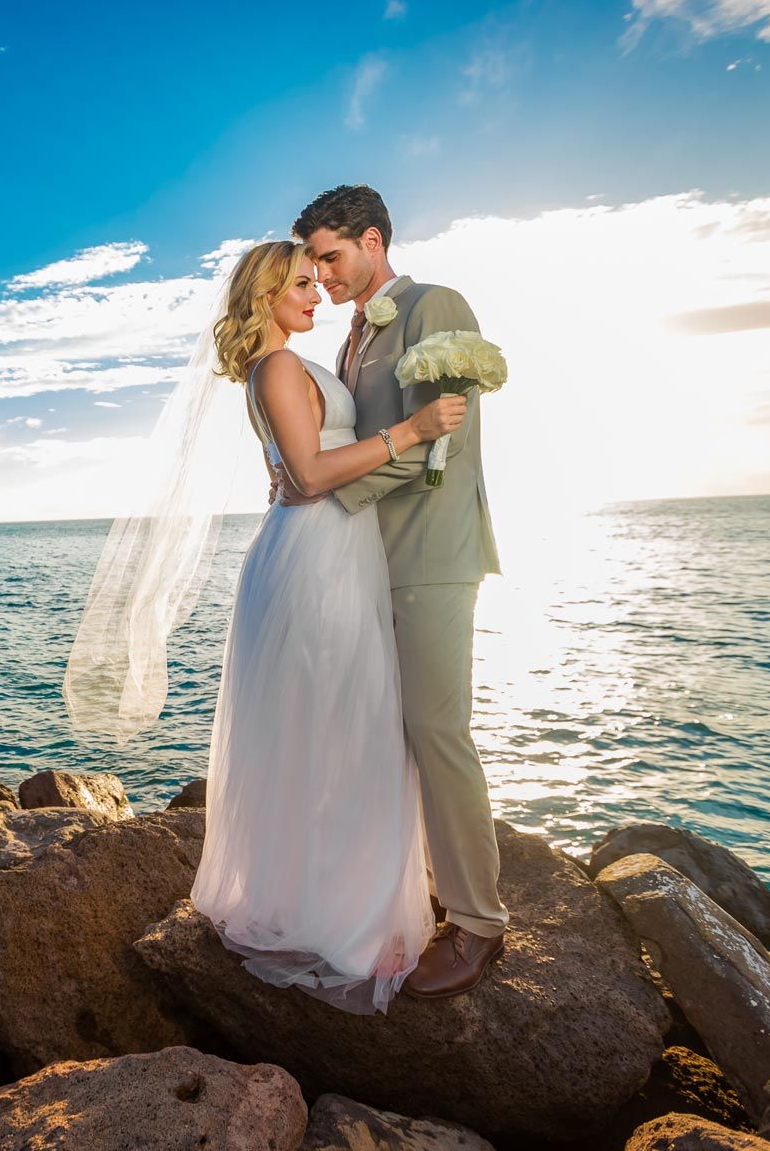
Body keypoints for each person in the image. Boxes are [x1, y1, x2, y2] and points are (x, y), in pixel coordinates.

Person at [187, 239, 467, 1012]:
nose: (316, 295)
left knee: (335, 727)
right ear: (265, 295)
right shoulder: (277, 367)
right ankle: (344, 924)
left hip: (335, 552)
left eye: (317, 281)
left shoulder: (287, 364)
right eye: (301, 285)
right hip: (316, 556)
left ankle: (332, 901)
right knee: (343, 729)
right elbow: (309, 477)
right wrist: (409, 434)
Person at [281, 184, 508, 997]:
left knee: (437, 728)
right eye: (313, 263)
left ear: (373, 242)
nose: (324, 275)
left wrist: (326, 497)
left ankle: (479, 923)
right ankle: (405, 890)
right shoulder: (348, 337)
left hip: (431, 553)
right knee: (381, 730)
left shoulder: (433, 303)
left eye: (332, 257)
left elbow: (437, 447)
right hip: (368, 558)